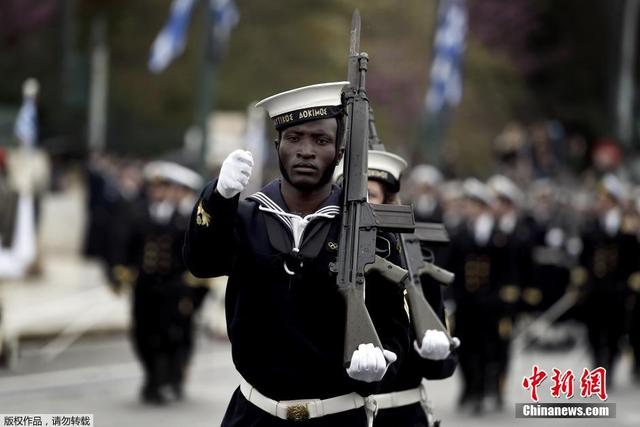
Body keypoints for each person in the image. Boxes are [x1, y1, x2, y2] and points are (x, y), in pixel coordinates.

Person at [183, 82, 410, 426]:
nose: (306, 150)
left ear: (340, 152)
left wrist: (380, 367)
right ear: (277, 145)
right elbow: (201, 263)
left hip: (337, 416)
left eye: (321, 140)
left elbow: (396, 329)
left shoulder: (370, 231)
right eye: (294, 138)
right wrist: (219, 196)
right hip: (254, 414)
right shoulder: (246, 216)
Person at [336, 150, 459, 427]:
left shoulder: (412, 263)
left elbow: (443, 368)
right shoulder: (326, 259)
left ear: (390, 203)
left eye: (370, 195)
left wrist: (436, 355)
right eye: (351, 197)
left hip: (403, 415)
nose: (361, 206)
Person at [110, 160, 208, 404]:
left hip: (172, 288)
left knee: (169, 335)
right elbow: (126, 246)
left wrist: (191, 289)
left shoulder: (184, 219)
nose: (159, 193)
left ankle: (163, 380)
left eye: (164, 187)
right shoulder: (138, 213)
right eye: (155, 188)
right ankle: (153, 376)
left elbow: (192, 256)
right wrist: (120, 273)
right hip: (144, 286)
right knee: (141, 333)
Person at [579, 174, 640, 381]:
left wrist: (633, 278)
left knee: (614, 329)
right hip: (596, 286)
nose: (600, 203)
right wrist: (581, 277)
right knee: (594, 329)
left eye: (605, 199)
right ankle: (598, 366)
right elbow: (585, 255)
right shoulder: (592, 225)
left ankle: (610, 366)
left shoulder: (626, 226)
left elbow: (633, 257)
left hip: (617, 286)